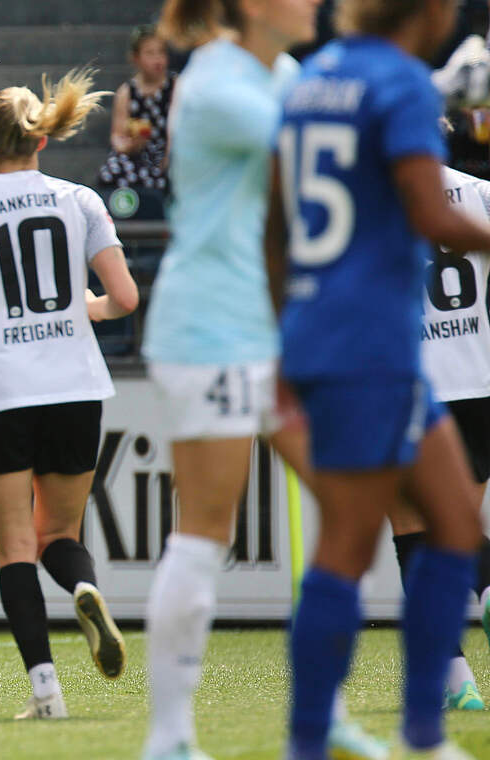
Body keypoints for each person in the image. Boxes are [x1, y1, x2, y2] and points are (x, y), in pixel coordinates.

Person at [135, 2, 374, 758]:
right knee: (207, 529)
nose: (314, 3)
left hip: (273, 330)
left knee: (350, 504)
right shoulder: (217, 86)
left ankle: (322, 713)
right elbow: (332, 143)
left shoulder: (286, 72)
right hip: (210, 326)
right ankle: (169, 739)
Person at [265, 0, 490, 757]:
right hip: (370, 344)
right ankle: (320, 734)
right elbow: (434, 214)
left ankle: (421, 725)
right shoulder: (400, 82)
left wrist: (282, 337)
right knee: (355, 541)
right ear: (429, 12)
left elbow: (273, 223)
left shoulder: (306, 80)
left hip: (340, 337)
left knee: (451, 522)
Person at [0, 73, 139, 720]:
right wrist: (85, 308)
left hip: (1, 391)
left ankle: (46, 692)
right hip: (74, 386)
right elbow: (125, 298)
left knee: (14, 546)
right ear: (41, 139)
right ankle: (84, 586)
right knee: (60, 534)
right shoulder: (80, 200)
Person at [386, 160, 490, 713]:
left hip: (405, 386)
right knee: (461, 530)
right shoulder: (479, 193)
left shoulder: (372, 194)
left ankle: (457, 681)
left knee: (414, 532)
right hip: (478, 383)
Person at [98, 24, 175, 192]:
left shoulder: (176, 86)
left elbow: (175, 129)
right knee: (112, 170)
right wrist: (130, 145)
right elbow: (117, 136)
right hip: (137, 154)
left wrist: (168, 158)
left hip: (168, 150)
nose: (157, 59)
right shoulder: (127, 92)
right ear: (136, 58)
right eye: (150, 53)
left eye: (161, 52)